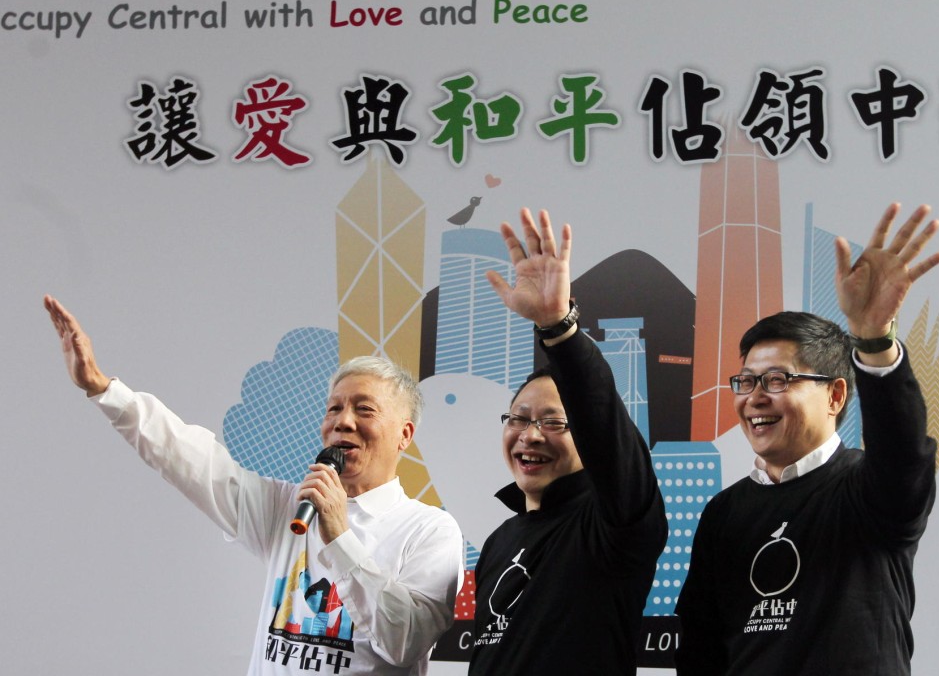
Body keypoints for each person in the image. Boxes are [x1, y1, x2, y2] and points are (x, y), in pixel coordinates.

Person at [43, 295, 464, 676]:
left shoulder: (429, 530)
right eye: (334, 408)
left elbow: (404, 644)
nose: (343, 421)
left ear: (404, 435)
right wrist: (103, 388)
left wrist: (339, 534)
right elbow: (187, 456)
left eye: (364, 409)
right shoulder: (288, 507)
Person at [673, 203, 939, 675]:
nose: (755, 398)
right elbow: (700, 650)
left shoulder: (869, 487)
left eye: (778, 380)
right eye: (746, 381)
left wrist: (874, 338)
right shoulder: (724, 513)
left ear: (835, 394)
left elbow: (902, 451)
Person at [467, 208, 668, 675]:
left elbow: (599, 416)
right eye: (518, 419)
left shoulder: (613, 526)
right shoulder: (501, 540)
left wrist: (558, 328)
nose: (530, 435)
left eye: (554, 423)